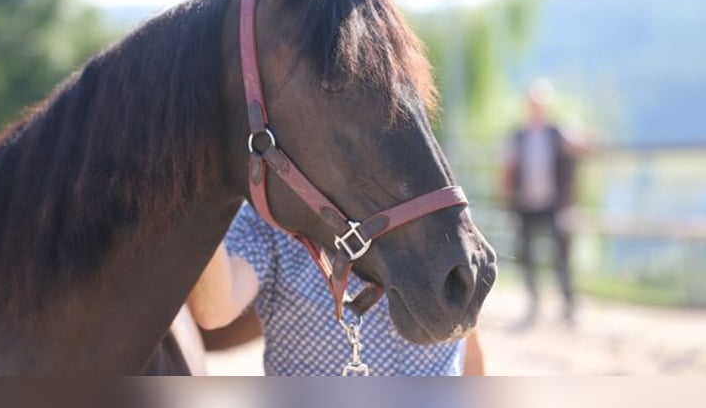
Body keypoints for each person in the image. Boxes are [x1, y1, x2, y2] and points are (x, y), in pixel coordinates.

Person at [188, 202, 485, 376]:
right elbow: (214, 309)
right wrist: (197, 186)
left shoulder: (432, 206)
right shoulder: (272, 222)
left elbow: (467, 349)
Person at [502, 79, 586, 326]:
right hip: (526, 204)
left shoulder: (558, 132)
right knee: (526, 254)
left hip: (554, 203)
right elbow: (507, 170)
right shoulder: (517, 136)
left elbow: (582, 147)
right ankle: (534, 302)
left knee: (561, 254)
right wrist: (508, 199)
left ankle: (568, 302)